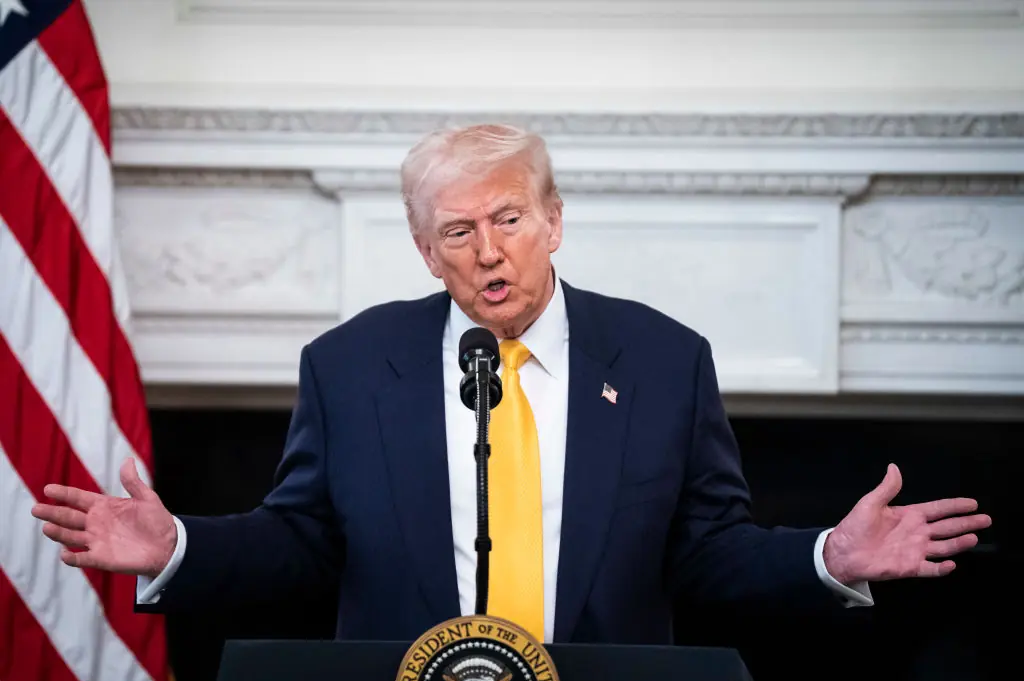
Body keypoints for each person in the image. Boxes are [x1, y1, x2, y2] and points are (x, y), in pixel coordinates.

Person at [31, 124, 991, 645]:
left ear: (554, 221)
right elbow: (306, 543)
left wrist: (829, 553)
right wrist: (181, 545)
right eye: (458, 231)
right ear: (425, 251)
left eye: (509, 218)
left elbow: (706, 554)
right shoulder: (353, 365)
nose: (489, 252)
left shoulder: (663, 360)